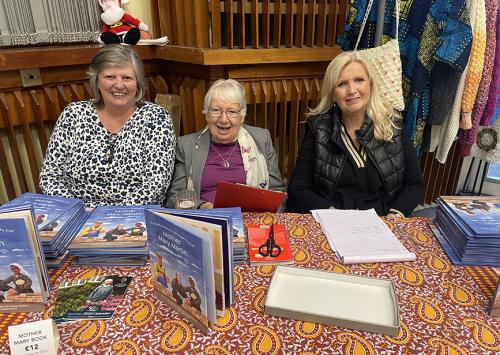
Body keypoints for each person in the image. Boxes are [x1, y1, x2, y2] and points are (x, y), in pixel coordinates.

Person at [287, 51, 425, 217]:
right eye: (342, 84)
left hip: (383, 221)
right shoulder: (318, 128)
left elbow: (415, 184)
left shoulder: (393, 125)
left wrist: (394, 216)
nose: (352, 90)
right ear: (332, 93)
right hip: (333, 220)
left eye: (359, 80)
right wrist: (333, 216)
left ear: (370, 85)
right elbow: (299, 187)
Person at [39, 44, 176, 208]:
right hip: (75, 214)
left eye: (127, 78)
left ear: (138, 83)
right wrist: (78, 212)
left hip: (134, 216)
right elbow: (50, 176)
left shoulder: (156, 118)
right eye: (110, 77)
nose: (119, 85)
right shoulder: (73, 114)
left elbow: (155, 186)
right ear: (96, 81)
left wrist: (110, 216)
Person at [166, 79, 286, 209]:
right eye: (216, 110)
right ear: (207, 114)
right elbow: (174, 197)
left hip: (251, 221)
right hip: (206, 221)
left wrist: (261, 221)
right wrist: (202, 207)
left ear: (242, 116)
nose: (223, 119)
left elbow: (278, 192)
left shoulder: (261, 139)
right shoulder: (187, 145)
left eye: (232, 112)